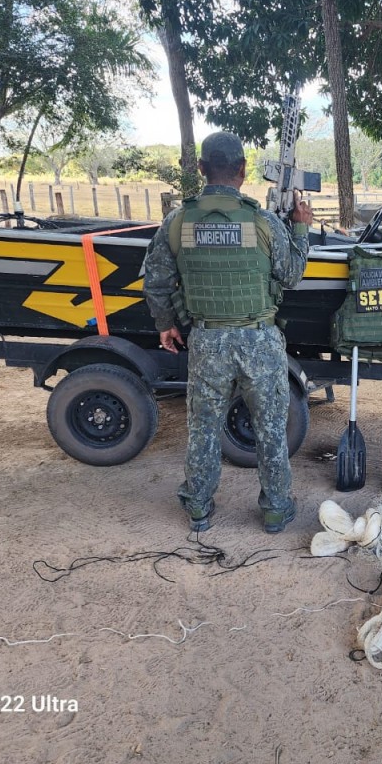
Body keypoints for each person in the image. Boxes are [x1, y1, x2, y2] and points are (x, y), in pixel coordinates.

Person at [143, 131, 313, 533]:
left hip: (207, 341)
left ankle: (198, 509)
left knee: (203, 428)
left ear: (202, 168)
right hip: (259, 340)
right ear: (243, 169)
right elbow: (291, 276)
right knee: (270, 429)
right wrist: (301, 229)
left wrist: (165, 324)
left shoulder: (178, 221)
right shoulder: (263, 221)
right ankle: (276, 511)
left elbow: (155, 281)